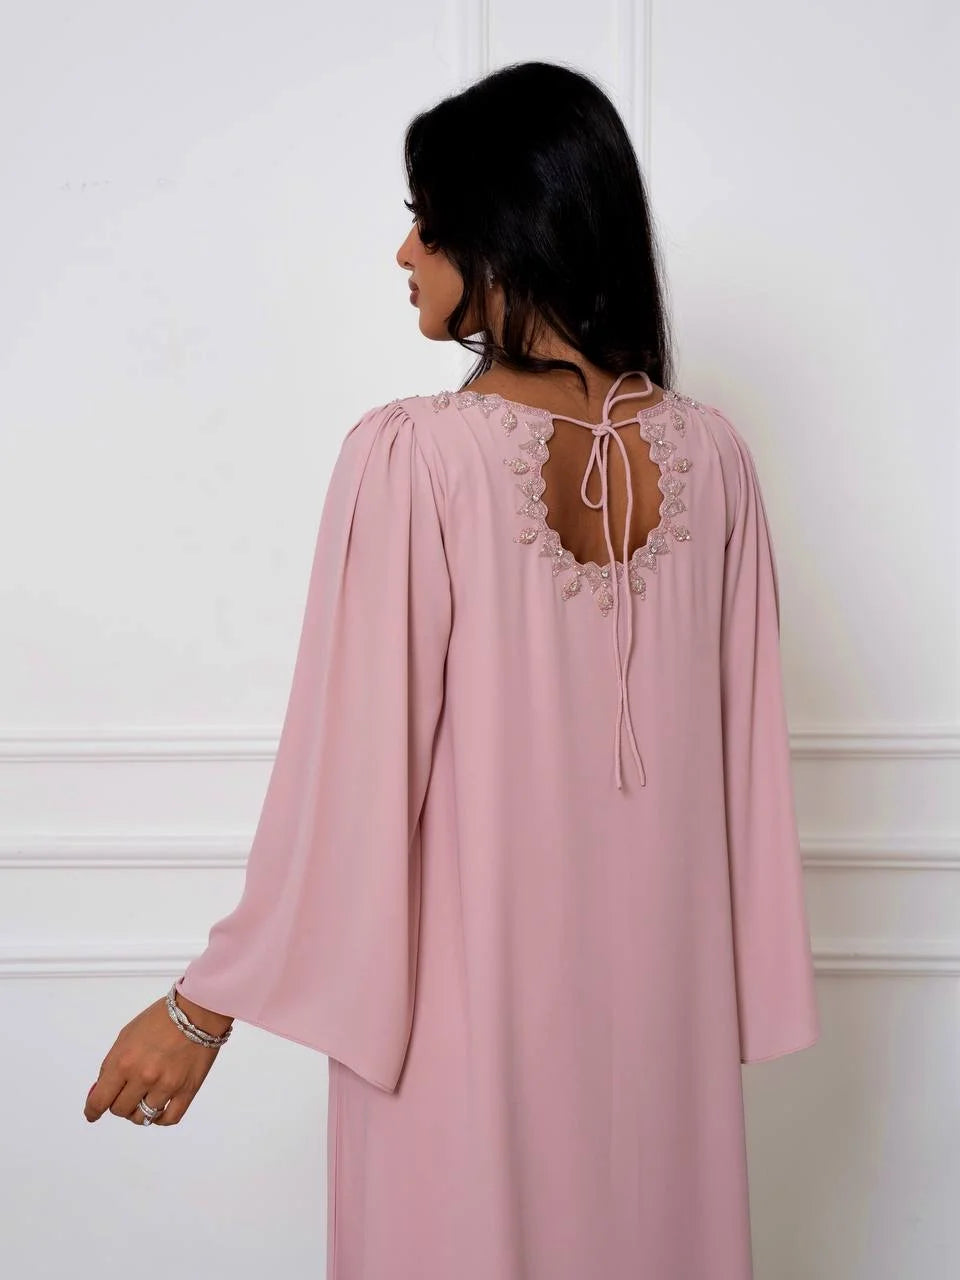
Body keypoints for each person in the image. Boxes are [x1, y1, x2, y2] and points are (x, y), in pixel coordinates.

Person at [83, 59, 819, 1280]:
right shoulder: (718, 459)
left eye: (427, 220)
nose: (404, 251)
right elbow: (745, 786)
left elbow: (348, 779)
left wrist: (199, 1009)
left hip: (459, 1044)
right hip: (664, 1037)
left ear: (505, 230)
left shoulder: (415, 461)